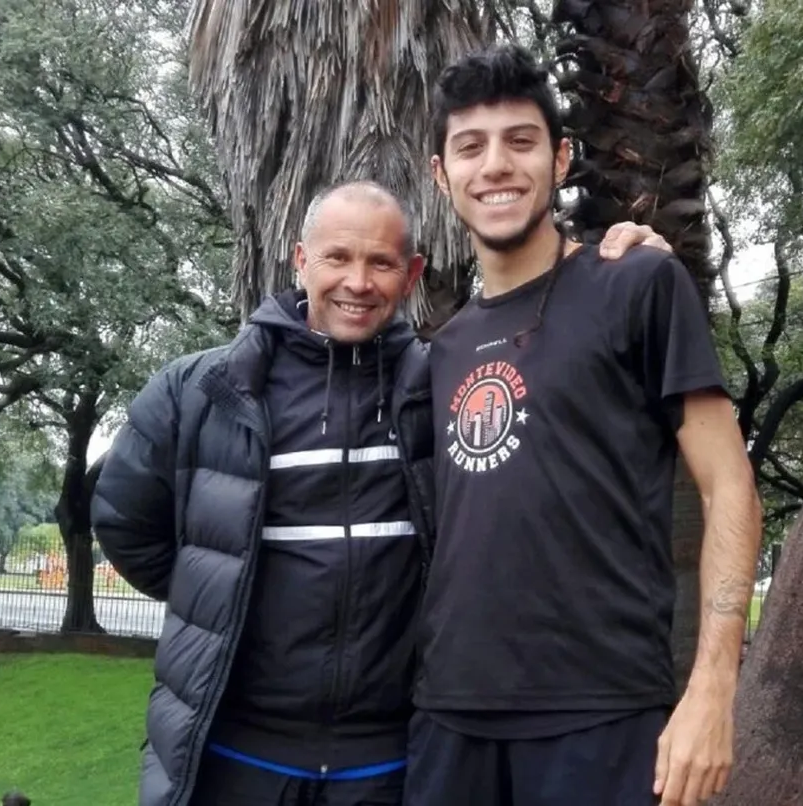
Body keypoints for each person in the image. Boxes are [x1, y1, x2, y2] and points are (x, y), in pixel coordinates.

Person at [91, 179, 665, 806]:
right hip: (234, 755)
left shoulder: (446, 384)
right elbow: (124, 524)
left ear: (412, 271)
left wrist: (627, 272)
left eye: (382, 262)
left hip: (387, 764)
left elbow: (560, 388)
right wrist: (219, 595)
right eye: (337, 257)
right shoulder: (199, 389)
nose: (358, 283)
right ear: (301, 260)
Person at [403, 45, 762, 806]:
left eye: (520, 141)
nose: (495, 165)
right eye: (470, 147)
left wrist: (711, 693)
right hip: (448, 718)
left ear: (560, 157)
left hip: (600, 719)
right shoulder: (440, 351)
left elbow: (730, 486)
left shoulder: (635, 284)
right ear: (442, 175)